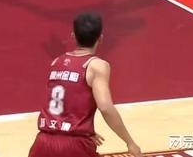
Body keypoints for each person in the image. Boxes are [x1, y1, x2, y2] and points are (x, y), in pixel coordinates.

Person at [28, 13, 142, 157]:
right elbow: (105, 107)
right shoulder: (96, 66)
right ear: (100, 38)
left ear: (73, 36)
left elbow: (66, 101)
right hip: (74, 147)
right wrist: (129, 142)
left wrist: (83, 129)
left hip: (42, 143)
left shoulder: (56, 62)